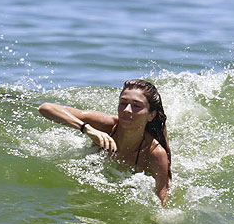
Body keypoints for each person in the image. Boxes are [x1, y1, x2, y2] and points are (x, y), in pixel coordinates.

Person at [39, 79, 172, 207]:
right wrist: (86, 128)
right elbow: (45, 108)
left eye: (136, 106)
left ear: (151, 115)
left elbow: (162, 195)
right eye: (123, 103)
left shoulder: (155, 153)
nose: (126, 110)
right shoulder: (106, 125)